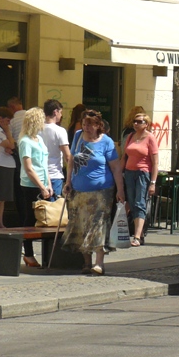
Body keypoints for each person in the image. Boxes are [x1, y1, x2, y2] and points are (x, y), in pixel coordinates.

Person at [62, 109, 125, 276]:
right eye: (84, 124)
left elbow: (116, 168)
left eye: (89, 125)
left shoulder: (107, 142)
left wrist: (120, 190)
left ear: (98, 125)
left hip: (102, 191)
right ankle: (86, 262)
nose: (86, 128)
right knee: (82, 225)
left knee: (98, 225)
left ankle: (99, 263)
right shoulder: (77, 137)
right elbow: (71, 161)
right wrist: (68, 182)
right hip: (78, 190)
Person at [18, 107, 52, 268]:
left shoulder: (39, 139)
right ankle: (29, 254)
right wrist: (41, 186)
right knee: (30, 220)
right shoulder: (25, 141)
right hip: (31, 185)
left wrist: (48, 184)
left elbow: (44, 164)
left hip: (43, 183)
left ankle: (46, 253)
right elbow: (28, 168)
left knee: (46, 218)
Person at [122, 112, 158, 247]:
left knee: (139, 203)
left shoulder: (150, 138)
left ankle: (136, 236)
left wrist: (153, 183)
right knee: (131, 203)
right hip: (129, 173)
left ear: (146, 124)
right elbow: (124, 157)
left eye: (139, 121)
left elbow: (155, 163)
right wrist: (119, 173)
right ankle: (140, 234)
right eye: (134, 121)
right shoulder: (130, 136)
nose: (135, 124)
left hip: (143, 173)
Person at [0, 106, 17, 229]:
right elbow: (10, 144)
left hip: (7, 165)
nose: (8, 124)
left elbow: (12, 145)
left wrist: (10, 143)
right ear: (0, 119)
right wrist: (8, 133)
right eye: (7, 121)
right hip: (0, 164)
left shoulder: (3, 130)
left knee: (3, 198)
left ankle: (0, 222)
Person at [42, 99, 72, 199]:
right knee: (53, 211)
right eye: (60, 112)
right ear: (55, 112)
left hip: (38, 175)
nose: (61, 115)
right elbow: (68, 156)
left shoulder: (37, 129)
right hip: (54, 174)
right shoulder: (60, 131)